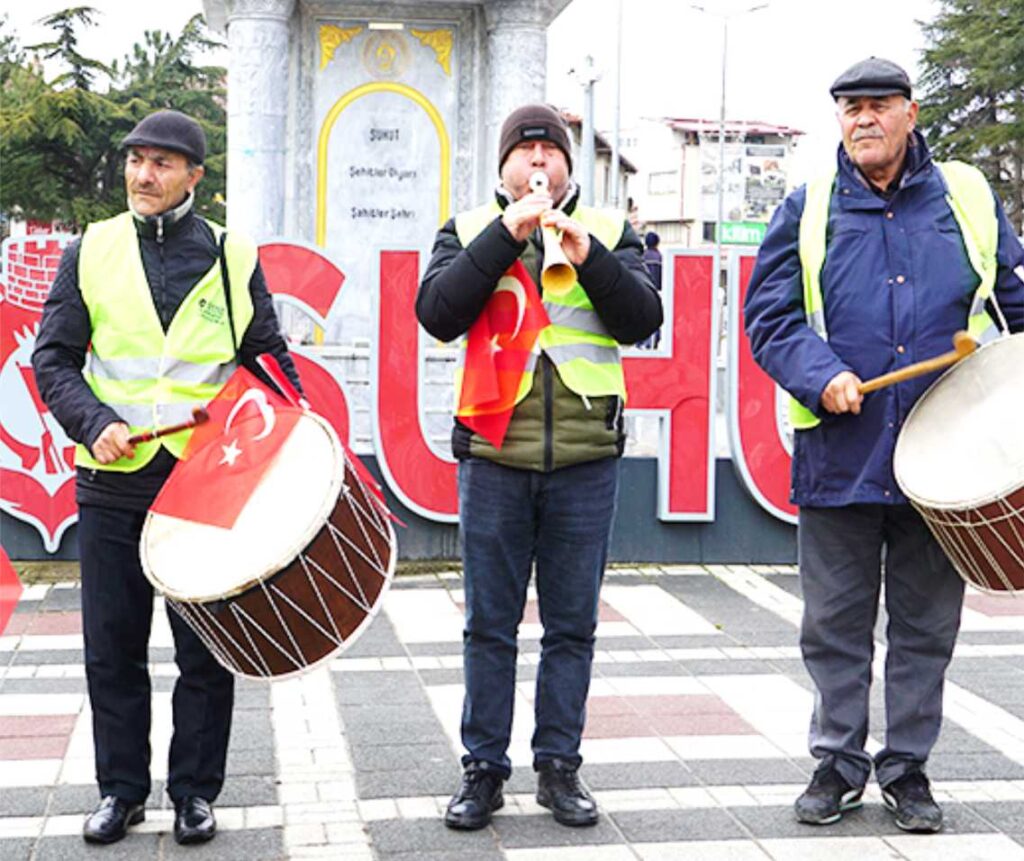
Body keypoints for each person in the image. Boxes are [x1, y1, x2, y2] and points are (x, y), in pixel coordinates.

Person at [744, 58, 1024, 834]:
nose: (863, 118)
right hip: (842, 452)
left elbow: (1016, 306)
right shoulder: (808, 208)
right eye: (850, 108)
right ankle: (838, 761)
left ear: (911, 112)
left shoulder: (967, 198)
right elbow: (770, 319)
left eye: (879, 104)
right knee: (834, 623)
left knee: (926, 626)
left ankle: (907, 766)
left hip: (949, 459)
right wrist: (821, 373)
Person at [32, 110, 301, 846]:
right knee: (111, 647)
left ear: (194, 176)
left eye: (161, 163)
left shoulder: (230, 254)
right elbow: (53, 358)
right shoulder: (90, 249)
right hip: (112, 478)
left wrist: (294, 430)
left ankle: (195, 793)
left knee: (205, 650)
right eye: (135, 160)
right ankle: (120, 790)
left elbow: (266, 357)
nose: (143, 175)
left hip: (204, 482)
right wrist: (92, 420)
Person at [417, 103, 661, 831]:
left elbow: (642, 320)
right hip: (494, 455)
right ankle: (483, 769)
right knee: (489, 626)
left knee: (571, 626)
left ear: (567, 165)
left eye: (549, 151)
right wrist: (508, 233)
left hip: (586, 459)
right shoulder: (467, 228)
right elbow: (438, 313)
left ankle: (559, 766)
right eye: (523, 152)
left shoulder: (611, 229)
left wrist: (588, 256)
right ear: (503, 167)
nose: (537, 163)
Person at [640, 231, 663, 348]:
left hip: (642, 290)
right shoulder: (660, 258)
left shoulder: (641, 257)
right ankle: (653, 342)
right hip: (656, 292)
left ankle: (641, 343)